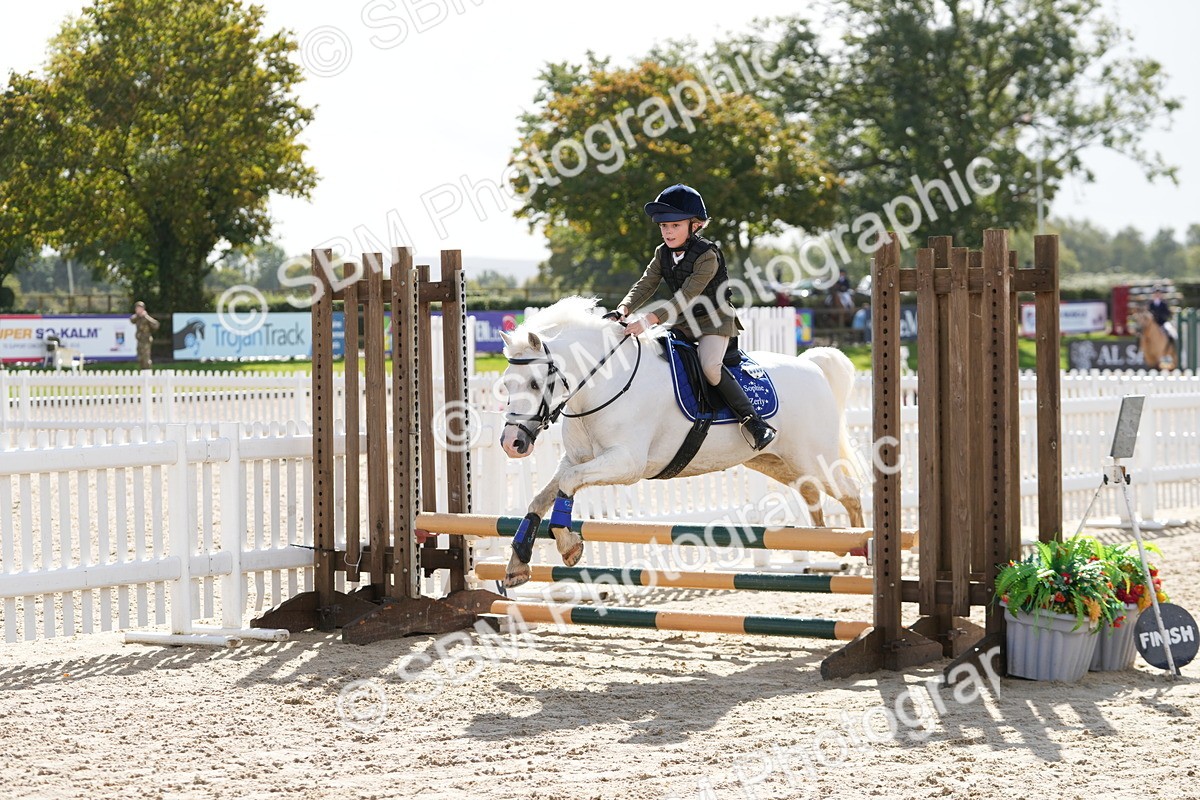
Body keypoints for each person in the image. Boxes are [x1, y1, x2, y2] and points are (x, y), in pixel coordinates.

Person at [606, 184, 776, 450]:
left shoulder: (708, 255)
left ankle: (754, 422)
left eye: (674, 225)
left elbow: (686, 296)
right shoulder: (662, 253)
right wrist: (623, 309)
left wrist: (649, 320)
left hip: (715, 321)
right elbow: (646, 284)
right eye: (663, 226)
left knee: (709, 366)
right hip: (684, 323)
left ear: (694, 225)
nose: (668, 232)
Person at [129, 300, 160, 370]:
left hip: (146, 340)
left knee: (146, 358)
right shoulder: (136, 317)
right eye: (137, 308)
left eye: (140, 308)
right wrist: (138, 315)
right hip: (139, 340)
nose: (138, 310)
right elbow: (131, 320)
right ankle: (142, 371)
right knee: (140, 358)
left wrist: (146, 316)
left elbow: (156, 325)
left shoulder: (146, 317)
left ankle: (148, 372)